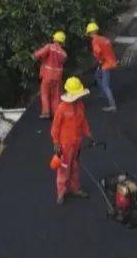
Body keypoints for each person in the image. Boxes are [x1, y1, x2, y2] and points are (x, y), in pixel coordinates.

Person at [51, 77, 94, 205]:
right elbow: (55, 127)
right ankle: (61, 192)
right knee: (64, 168)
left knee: (75, 166)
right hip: (65, 145)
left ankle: (75, 188)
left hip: (76, 143)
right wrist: (56, 142)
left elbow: (83, 121)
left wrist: (89, 133)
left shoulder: (80, 105)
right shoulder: (62, 108)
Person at [33, 31, 68, 119]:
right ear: (62, 42)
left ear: (54, 39)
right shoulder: (64, 53)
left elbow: (38, 54)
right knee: (56, 96)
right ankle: (57, 113)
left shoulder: (49, 47)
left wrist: (34, 55)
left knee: (44, 93)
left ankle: (46, 112)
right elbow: (62, 61)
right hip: (57, 77)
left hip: (47, 76)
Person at [85, 22, 117, 112]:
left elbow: (97, 51)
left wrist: (100, 60)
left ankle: (112, 105)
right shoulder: (103, 38)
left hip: (106, 64)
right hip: (111, 61)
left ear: (90, 32)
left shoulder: (95, 40)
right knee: (97, 76)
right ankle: (103, 93)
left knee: (105, 85)